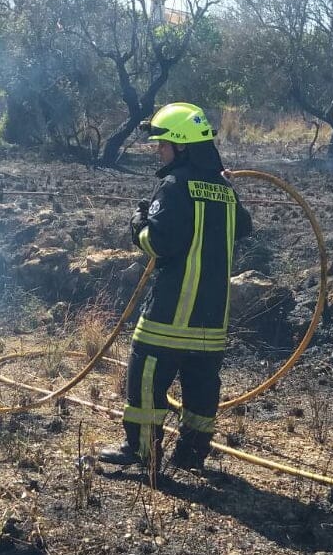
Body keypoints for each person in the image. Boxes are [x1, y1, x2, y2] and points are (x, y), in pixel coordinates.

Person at [98, 102, 252, 474]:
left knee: (146, 377)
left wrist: (139, 222)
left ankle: (141, 451)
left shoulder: (174, 185)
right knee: (201, 388)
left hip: (170, 315)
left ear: (182, 146)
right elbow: (243, 227)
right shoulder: (224, 189)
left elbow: (158, 243)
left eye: (163, 144)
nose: (158, 150)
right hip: (211, 319)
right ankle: (191, 455)